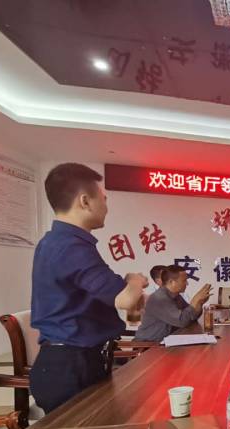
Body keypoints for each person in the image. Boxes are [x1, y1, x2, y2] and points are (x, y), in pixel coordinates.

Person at [30, 163, 147, 414]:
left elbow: (104, 291)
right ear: (85, 201)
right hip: (71, 368)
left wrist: (128, 283)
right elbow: (126, 299)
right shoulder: (71, 246)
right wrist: (136, 280)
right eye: (103, 198)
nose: (106, 205)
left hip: (74, 362)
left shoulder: (56, 242)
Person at [134, 266, 212, 342]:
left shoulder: (176, 296)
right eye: (184, 280)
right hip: (148, 344)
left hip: (166, 340)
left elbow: (190, 317)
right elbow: (181, 322)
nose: (187, 283)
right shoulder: (159, 299)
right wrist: (195, 301)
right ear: (171, 282)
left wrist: (199, 303)